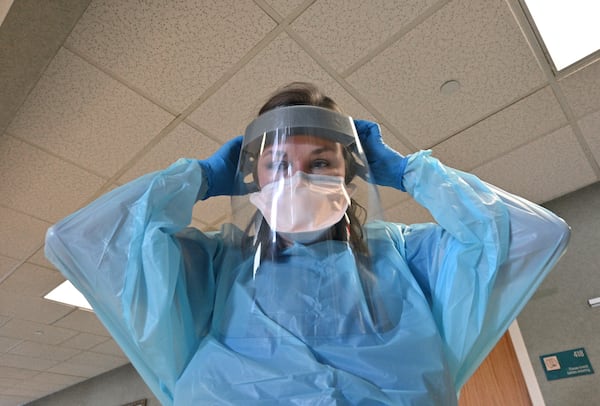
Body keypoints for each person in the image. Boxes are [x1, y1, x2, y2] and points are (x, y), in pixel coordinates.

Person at [45, 82, 570, 405]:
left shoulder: (409, 257)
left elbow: (535, 235)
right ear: (251, 180)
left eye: (320, 163)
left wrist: (411, 173)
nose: (298, 179)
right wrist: (200, 178)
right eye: (277, 165)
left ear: (352, 174)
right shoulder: (213, 266)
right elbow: (86, 240)